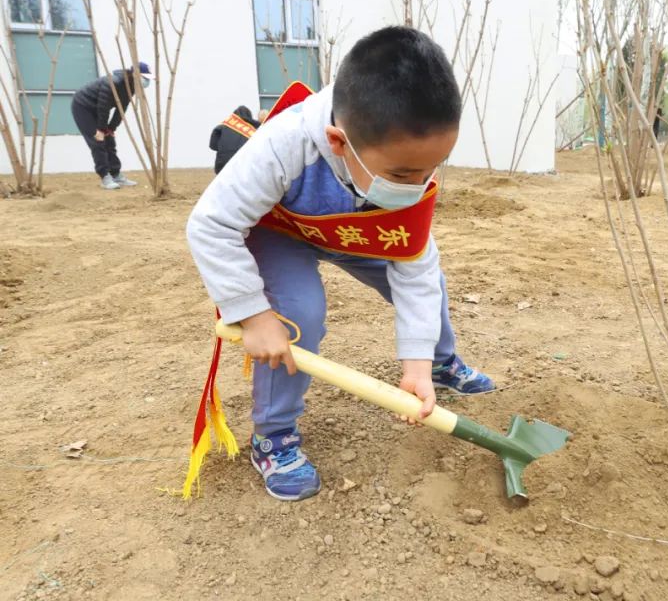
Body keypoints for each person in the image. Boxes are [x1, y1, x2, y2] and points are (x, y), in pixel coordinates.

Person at [186, 27, 495, 501]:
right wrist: (253, 314)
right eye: (403, 175)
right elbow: (211, 224)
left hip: (357, 230)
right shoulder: (283, 142)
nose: (419, 185)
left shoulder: (403, 169)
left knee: (429, 278)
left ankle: (438, 362)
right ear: (337, 141)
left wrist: (412, 359)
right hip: (284, 230)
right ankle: (274, 434)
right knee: (297, 314)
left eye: (432, 168)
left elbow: (413, 267)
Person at [71, 62, 152, 189]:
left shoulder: (131, 87)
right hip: (83, 106)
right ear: (135, 75)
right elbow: (103, 107)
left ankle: (116, 174)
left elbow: (121, 108)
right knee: (98, 140)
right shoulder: (113, 83)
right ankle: (105, 177)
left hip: (98, 109)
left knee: (109, 139)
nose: (147, 81)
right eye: (145, 78)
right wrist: (101, 129)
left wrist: (111, 128)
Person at [208, 105, 261, 173]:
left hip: (222, 165)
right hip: (244, 166)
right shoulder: (254, 129)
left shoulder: (222, 127)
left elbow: (212, 146)